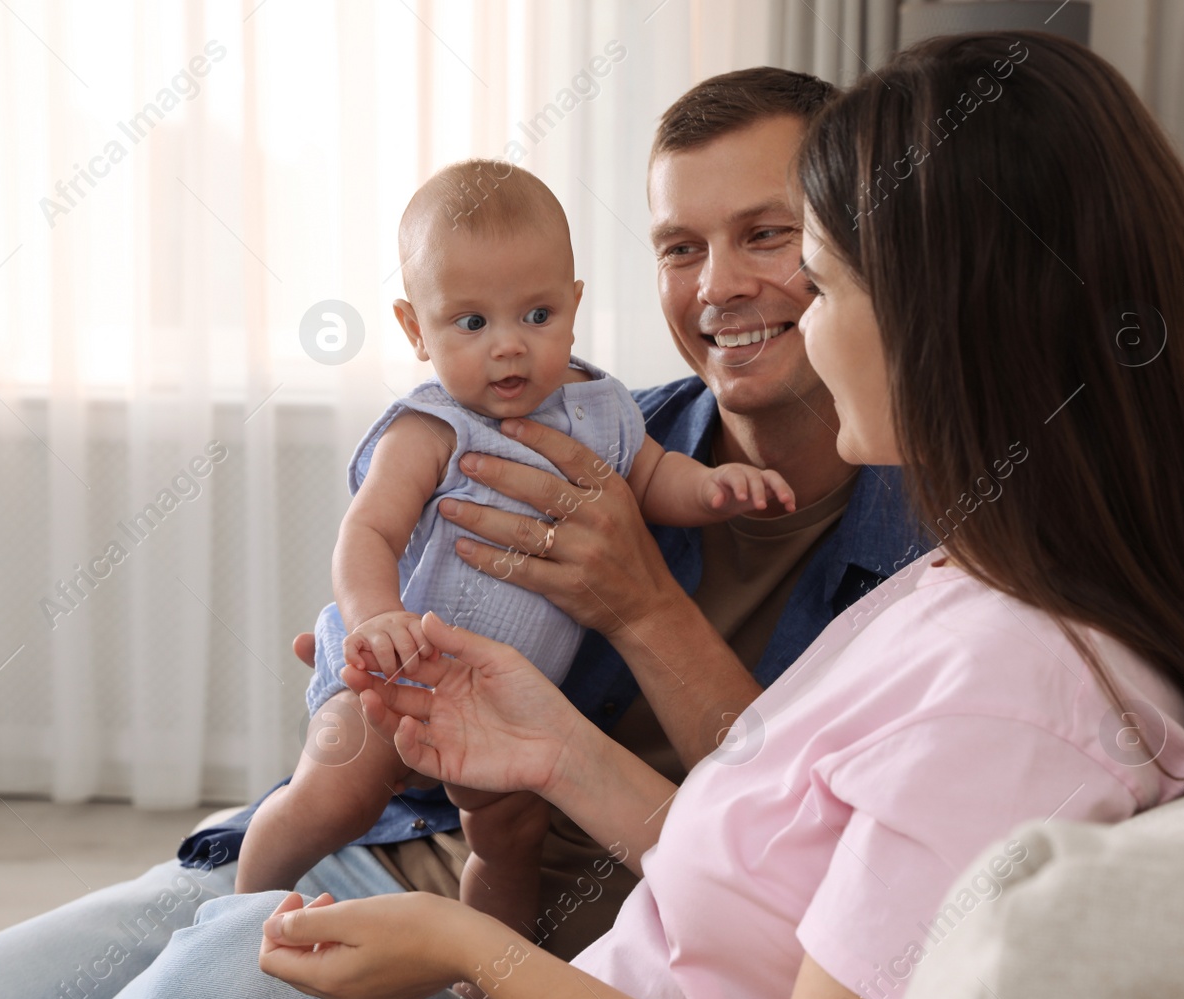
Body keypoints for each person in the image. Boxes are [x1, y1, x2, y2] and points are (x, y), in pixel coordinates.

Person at [0, 67, 917, 999]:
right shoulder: (605, 424)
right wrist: (370, 646)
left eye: (765, 234)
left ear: (850, 248)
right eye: (679, 245)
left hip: (543, 946)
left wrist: (640, 602)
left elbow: (795, 868)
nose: (716, 285)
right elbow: (397, 555)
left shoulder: (935, 555)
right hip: (371, 837)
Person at [220, 28, 1184, 999]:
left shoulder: (1007, 690)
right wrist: (546, 740)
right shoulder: (974, 582)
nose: (756, 304)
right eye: (682, 246)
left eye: (817, 276)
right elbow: (774, 877)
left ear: (937, 316)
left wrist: (468, 944)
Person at [236, 158, 796, 947]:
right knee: (339, 792)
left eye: (535, 315)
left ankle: (491, 980)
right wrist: (376, 618)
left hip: (505, 702)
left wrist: (714, 489)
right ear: (413, 330)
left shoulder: (605, 411)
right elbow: (367, 534)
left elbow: (657, 477)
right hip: (396, 663)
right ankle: (240, 905)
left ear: (573, 305)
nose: (507, 349)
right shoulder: (431, 428)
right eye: (471, 323)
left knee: (508, 839)